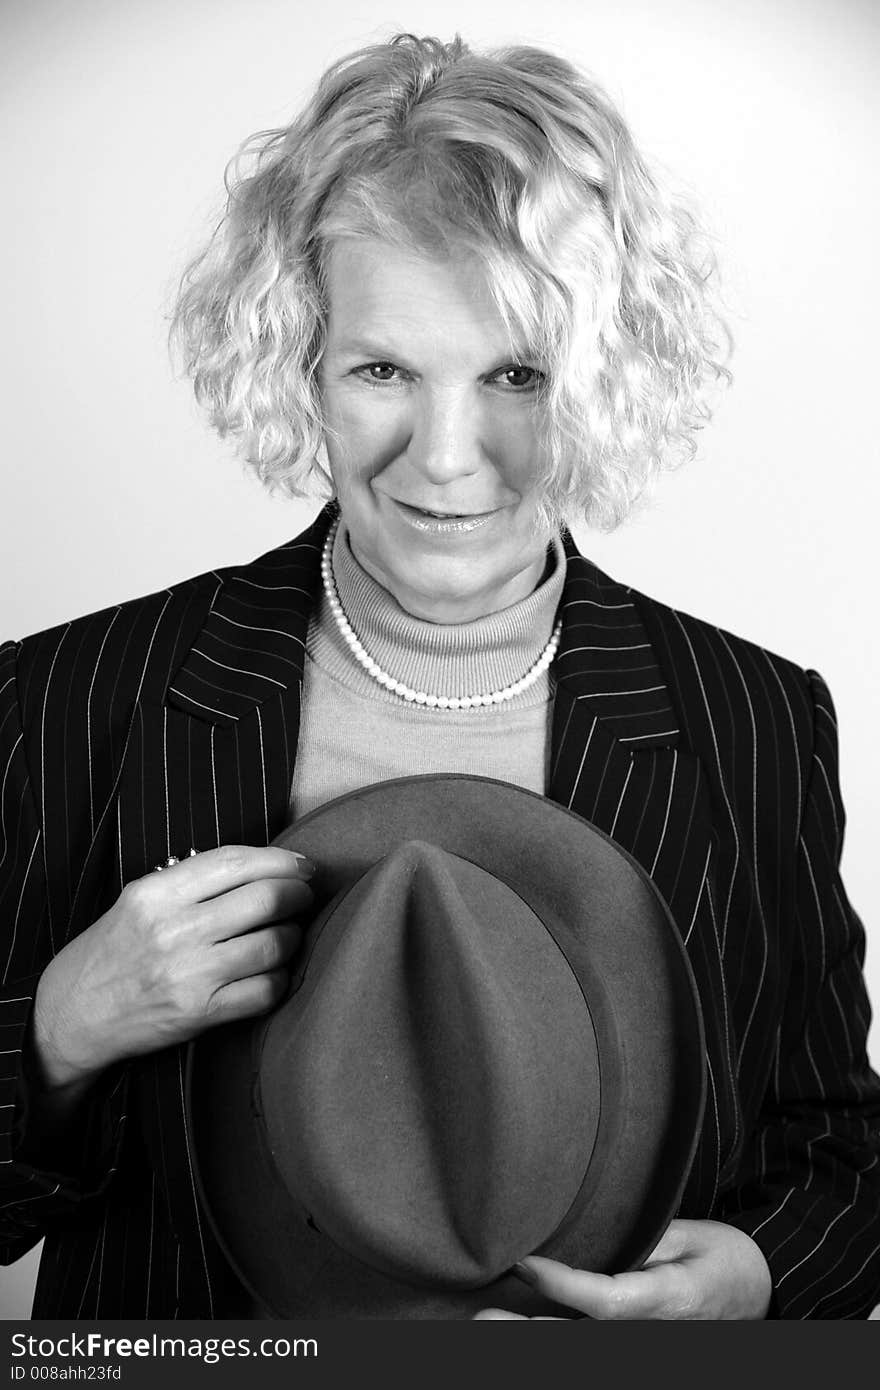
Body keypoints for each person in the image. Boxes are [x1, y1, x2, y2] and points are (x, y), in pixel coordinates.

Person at [1, 32, 878, 1320]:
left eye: (516, 372)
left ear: (604, 374)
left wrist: (751, 1279)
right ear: (299, 361)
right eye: (383, 370)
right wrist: (56, 1034)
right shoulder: (75, 698)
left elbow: (844, 1165)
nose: (448, 456)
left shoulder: (749, 717)